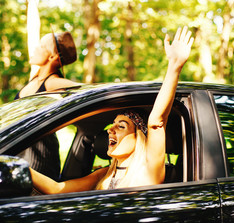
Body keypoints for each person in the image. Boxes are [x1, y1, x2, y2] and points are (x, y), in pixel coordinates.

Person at [30, 26, 194, 193]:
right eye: (113, 125)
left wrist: (175, 65)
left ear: (139, 138)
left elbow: (156, 123)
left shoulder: (148, 171)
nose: (110, 130)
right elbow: (56, 189)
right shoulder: (104, 174)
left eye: (121, 126)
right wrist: (21, 168)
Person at [16, 0, 80, 182]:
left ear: (52, 56)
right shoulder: (35, 78)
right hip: (19, 153)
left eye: (42, 46)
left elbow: (87, 91)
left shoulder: (54, 83)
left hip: (39, 159)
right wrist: (33, 6)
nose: (35, 48)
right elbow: (32, 31)